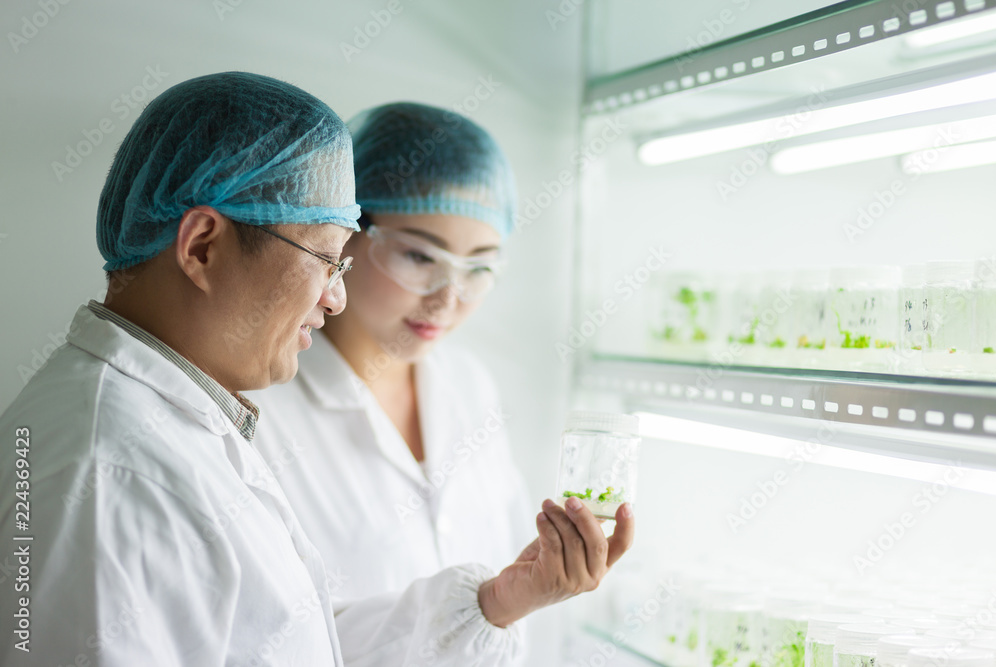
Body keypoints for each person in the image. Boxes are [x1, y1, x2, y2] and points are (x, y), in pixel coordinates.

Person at [0, 73, 635, 667]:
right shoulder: (106, 472)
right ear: (202, 246)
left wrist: (497, 602)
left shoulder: (185, 427)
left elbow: (289, 642)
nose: (335, 297)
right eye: (326, 259)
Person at [248, 102, 532, 603]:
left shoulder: (470, 385)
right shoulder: (258, 406)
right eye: (419, 256)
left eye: (477, 268)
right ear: (344, 235)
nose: (448, 298)